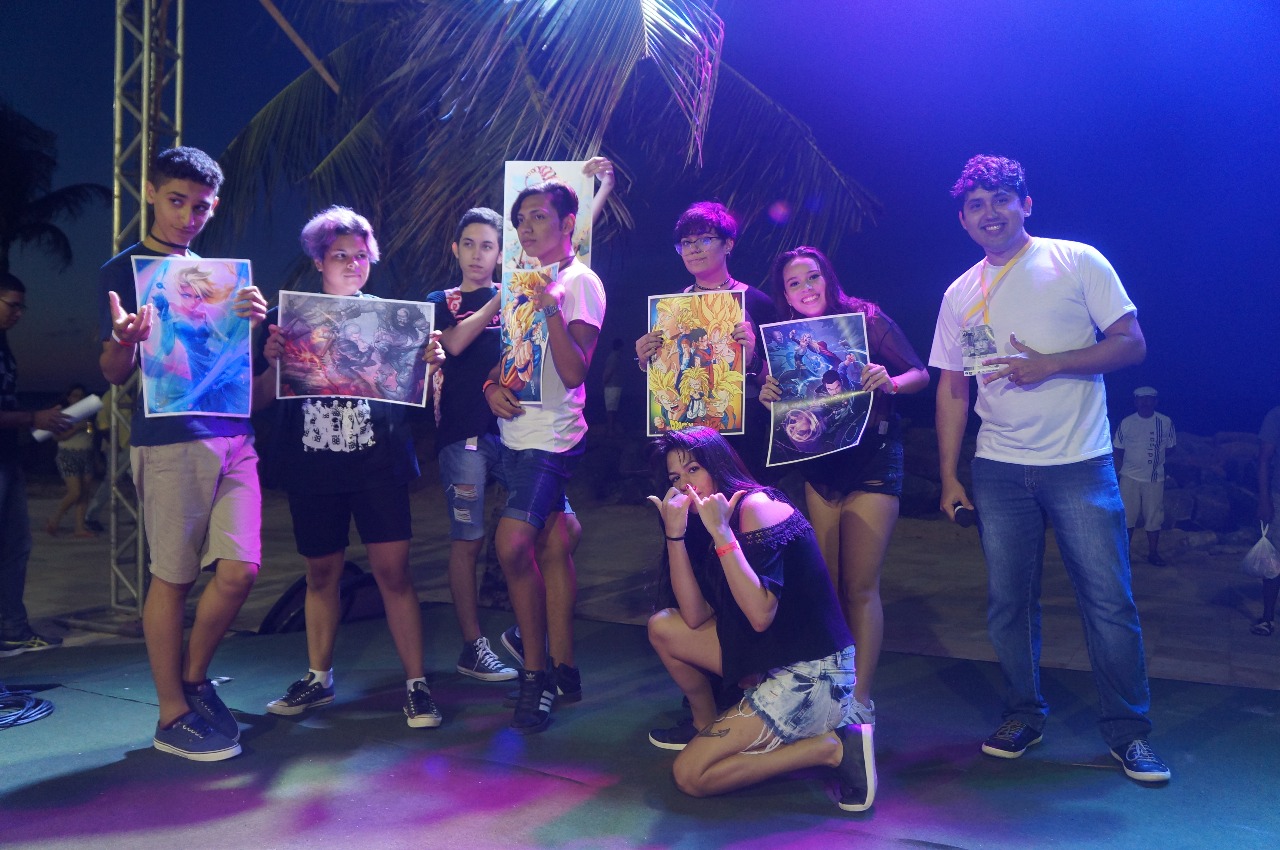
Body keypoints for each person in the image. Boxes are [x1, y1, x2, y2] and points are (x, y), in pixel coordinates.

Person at [930, 154, 1169, 783]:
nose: (990, 213)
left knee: (1108, 603)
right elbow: (953, 387)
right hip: (998, 469)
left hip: (1079, 462)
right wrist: (950, 475)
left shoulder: (1077, 260)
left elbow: (1132, 343)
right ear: (963, 220)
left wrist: (1052, 363)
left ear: (1026, 204)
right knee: (1009, 604)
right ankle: (1023, 714)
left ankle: (1129, 733)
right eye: (976, 205)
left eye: (1001, 199)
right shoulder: (959, 292)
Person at [99, 146, 267, 761]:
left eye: (200, 207)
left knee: (241, 569)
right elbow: (113, 371)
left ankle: (194, 681)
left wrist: (252, 322)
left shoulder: (219, 276)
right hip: (171, 439)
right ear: (150, 192)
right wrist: (125, 341)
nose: (187, 216)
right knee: (173, 576)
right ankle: (171, 714)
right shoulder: (125, 270)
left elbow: (232, 359)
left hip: (235, 433)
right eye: (176, 201)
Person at [254, 206, 440, 728]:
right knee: (320, 573)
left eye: (361, 256)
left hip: (378, 461)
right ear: (318, 261)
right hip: (313, 465)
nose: (353, 264)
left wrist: (431, 366)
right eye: (341, 256)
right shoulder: (287, 318)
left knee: (393, 572)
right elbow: (258, 400)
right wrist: (273, 363)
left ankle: (417, 684)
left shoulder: (393, 319)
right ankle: (319, 678)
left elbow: (416, 396)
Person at [645, 426, 876, 811]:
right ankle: (706, 726)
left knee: (690, 775)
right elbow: (695, 616)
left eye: (693, 469)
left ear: (717, 465)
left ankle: (832, 747)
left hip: (813, 675)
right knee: (665, 625)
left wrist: (721, 533)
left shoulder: (756, 508)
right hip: (774, 658)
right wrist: (675, 535)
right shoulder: (711, 519)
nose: (685, 485)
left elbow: (760, 614)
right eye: (675, 478)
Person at [758, 246, 928, 721]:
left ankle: (861, 700)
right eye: (794, 283)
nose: (806, 288)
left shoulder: (865, 318)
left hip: (871, 459)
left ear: (828, 278)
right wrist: (765, 393)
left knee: (859, 586)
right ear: (785, 293)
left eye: (812, 277)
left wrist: (891, 381)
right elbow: (779, 397)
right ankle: (832, 689)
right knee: (828, 586)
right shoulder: (783, 337)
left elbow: (920, 373)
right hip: (820, 468)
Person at [483, 177, 606, 733]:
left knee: (512, 545)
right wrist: (490, 387)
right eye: (521, 220)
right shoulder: (521, 280)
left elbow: (576, 372)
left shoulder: (580, 283)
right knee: (553, 544)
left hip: (552, 438)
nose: (527, 228)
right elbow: (512, 355)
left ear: (567, 223)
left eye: (537, 216)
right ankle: (567, 669)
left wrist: (552, 309)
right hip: (513, 435)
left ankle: (535, 676)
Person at [424, 207, 518, 684]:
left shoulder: (519, 299)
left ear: (501, 254)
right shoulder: (442, 300)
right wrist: (499, 300)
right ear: (455, 249)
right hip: (463, 436)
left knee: (554, 526)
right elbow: (455, 344)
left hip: (517, 433)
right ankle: (472, 646)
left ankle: (524, 633)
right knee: (469, 539)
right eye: (469, 244)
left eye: (487, 246)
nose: (477, 254)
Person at [633, 201, 777, 477]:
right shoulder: (670, 308)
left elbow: (780, 382)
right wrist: (645, 360)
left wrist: (752, 360)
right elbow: (667, 379)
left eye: (705, 239)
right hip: (688, 437)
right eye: (686, 243)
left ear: (728, 244)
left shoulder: (757, 303)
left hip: (744, 438)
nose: (694, 249)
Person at [0, 273, 70, 657]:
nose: (19, 313)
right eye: (12, 305)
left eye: (22, 307)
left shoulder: (4, 345)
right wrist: (32, 418)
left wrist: (42, 424)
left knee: (16, 546)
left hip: (8, 458)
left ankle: (13, 629)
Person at [1113, 386, 1176, 565]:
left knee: (1154, 518)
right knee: (1127, 517)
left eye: (1149, 398)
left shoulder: (1165, 422)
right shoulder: (1127, 422)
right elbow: (1118, 448)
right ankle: (1124, 555)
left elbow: (1171, 447)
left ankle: (1153, 553)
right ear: (1135, 402)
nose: (1145, 402)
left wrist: (1155, 461)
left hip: (1154, 478)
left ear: (1156, 401)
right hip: (1129, 477)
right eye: (1141, 399)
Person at [45, 384, 98, 538]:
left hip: (86, 454)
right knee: (75, 492)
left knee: (85, 493)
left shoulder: (88, 414)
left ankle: (79, 528)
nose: (78, 399)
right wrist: (76, 428)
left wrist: (87, 428)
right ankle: (54, 520)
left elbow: (91, 432)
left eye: (81, 396)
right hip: (68, 454)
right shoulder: (64, 415)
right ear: (68, 398)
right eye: (75, 396)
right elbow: (57, 437)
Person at [1253, 405, 1280, 636]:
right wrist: (1264, 499)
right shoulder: (1276, 415)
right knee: (1273, 558)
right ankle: (1268, 617)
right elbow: (1264, 459)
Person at [602, 338, 624, 435]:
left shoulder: (613, 357)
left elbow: (608, 371)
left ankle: (610, 430)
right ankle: (611, 429)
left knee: (611, 409)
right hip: (614, 385)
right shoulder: (616, 357)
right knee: (612, 409)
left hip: (611, 386)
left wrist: (604, 381)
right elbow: (610, 371)